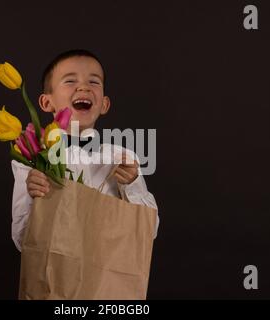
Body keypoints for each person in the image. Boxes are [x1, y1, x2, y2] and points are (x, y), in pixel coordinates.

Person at [11, 49, 159, 251]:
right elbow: (22, 240)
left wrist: (131, 186)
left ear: (104, 104)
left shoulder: (122, 158)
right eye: (70, 81)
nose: (84, 87)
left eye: (94, 82)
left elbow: (149, 232)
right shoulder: (31, 157)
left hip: (110, 276)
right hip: (55, 276)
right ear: (47, 102)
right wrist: (32, 196)